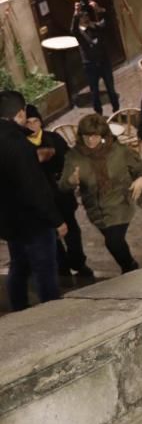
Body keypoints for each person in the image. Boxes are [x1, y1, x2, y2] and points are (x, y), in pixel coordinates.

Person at [0, 91, 66, 310]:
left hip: (9, 221)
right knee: (44, 269)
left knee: (19, 265)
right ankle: (52, 313)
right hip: (33, 222)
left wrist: (31, 156)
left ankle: (19, 308)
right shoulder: (19, 144)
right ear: (20, 113)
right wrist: (57, 220)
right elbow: (34, 190)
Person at [60, 114, 142, 274]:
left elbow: (141, 168)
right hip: (96, 210)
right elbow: (63, 186)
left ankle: (129, 268)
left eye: (95, 136)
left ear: (102, 135)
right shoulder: (74, 156)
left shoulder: (119, 151)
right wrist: (71, 180)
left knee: (113, 241)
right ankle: (129, 266)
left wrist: (140, 178)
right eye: (87, 136)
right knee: (115, 241)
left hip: (120, 204)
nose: (91, 140)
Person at [24, 105, 91, 279]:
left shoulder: (53, 138)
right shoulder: (21, 147)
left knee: (72, 232)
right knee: (52, 236)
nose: (32, 126)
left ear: (40, 121)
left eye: (35, 121)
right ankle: (62, 267)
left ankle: (78, 263)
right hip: (42, 200)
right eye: (28, 122)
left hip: (61, 195)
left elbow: (69, 159)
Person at [70, 0, 120, 115]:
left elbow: (107, 20)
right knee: (95, 91)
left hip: (104, 62)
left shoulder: (96, 27)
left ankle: (116, 109)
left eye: (87, 15)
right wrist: (75, 13)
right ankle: (99, 112)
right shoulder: (80, 33)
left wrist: (100, 10)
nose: (85, 17)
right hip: (90, 65)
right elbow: (73, 29)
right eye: (83, 16)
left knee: (110, 88)